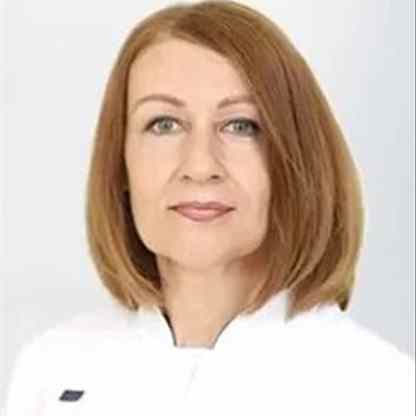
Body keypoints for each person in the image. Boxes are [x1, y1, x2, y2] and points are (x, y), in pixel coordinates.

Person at [3, 1, 414, 415]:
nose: (200, 166)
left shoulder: (381, 389)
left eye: (240, 126)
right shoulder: (51, 370)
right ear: (120, 163)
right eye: (164, 124)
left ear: (297, 160)